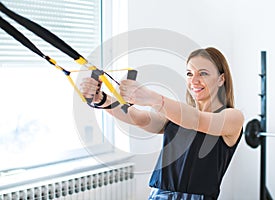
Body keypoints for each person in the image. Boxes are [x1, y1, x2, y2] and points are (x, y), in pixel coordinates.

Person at [80, 47, 244, 200]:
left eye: (203, 73)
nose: (194, 80)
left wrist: (153, 98)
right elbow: (138, 118)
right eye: (189, 73)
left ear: (221, 79)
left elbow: (197, 120)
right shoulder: (177, 114)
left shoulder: (232, 117)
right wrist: (102, 99)